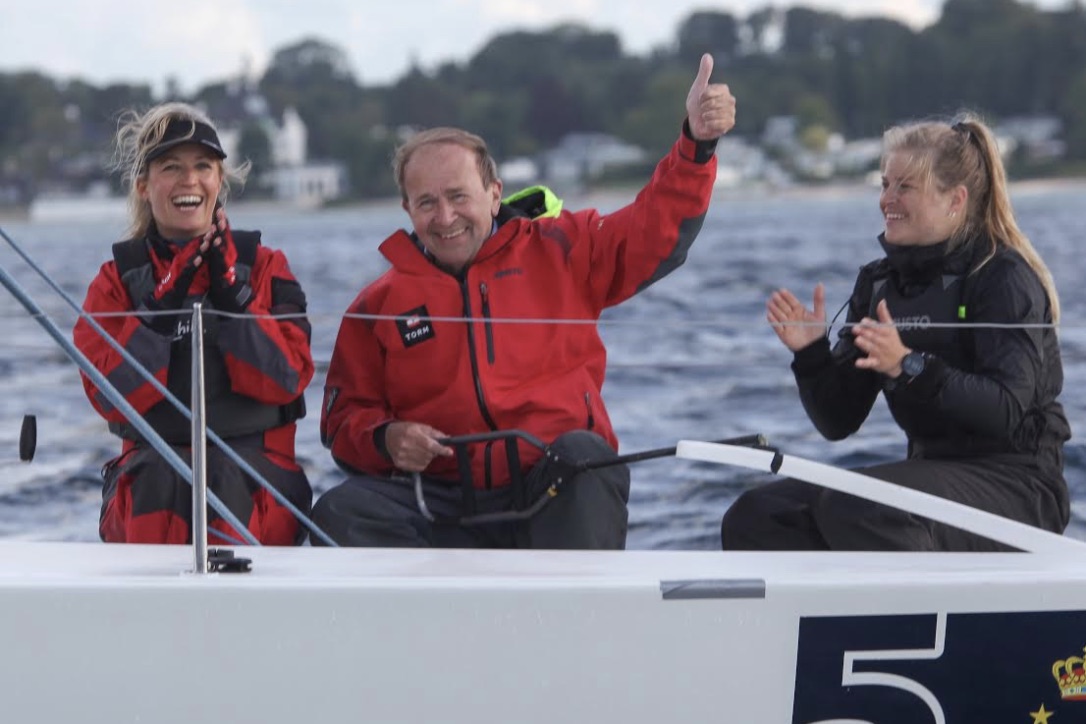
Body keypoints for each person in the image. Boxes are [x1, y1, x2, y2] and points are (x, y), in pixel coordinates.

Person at [313, 53, 736, 548]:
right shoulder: (378, 304)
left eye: (458, 196)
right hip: (441, 500)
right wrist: (386, 440)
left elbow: (654, 230)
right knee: (340, 511)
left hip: (550, 484)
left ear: (494, 194)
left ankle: (581, 618)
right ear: (407, 209)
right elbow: (343, 421)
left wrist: (696, 145)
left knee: (585, 457)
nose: (445, 216)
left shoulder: (562, 246)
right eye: (427, 202)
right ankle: (421, 624)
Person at [720, 112, 1070, 552]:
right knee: (756, 516)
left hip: (1019, 487)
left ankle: (937, 617)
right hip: (934, 476)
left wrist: (909, 366)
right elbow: (838, 421)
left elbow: (1006, 410)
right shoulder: (880, 283)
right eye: (886, 184)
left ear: (954, 200)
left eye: (905, 187)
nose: (888, 198)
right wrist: (811, 355)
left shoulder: (1001, 277)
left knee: (855, 507)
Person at [73, 102, 315, 545]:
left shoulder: (266, 268)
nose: (189, 180)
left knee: (222, 474)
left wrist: (234, 299)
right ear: (145, 186)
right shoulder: (115, 283)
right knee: (160, 476)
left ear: (219, 182)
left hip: (258, 476)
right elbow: (109, 399)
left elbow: (288, 379)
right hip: (149, 479)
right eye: (171, 167)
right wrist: (157, 313)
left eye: (203, 166)